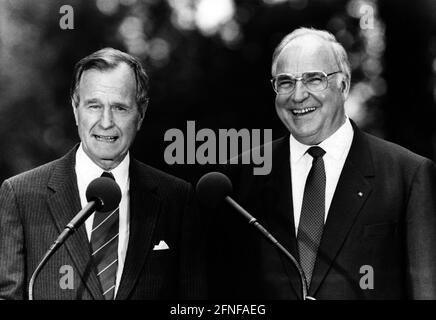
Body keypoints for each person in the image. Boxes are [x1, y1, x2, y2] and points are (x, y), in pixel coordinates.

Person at [206, 28, 436, 299]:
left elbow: (425, 289)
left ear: (344, 85)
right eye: (285, 82)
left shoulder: (407, 175)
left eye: (314, 79)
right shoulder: (236, 178)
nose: (298, 95)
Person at [0, 48, 205, 300]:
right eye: (94, 106)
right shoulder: (20, 195)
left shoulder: (177, 198)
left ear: (141, 113)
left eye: (120, 108)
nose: (106, 122)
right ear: (76, 110)